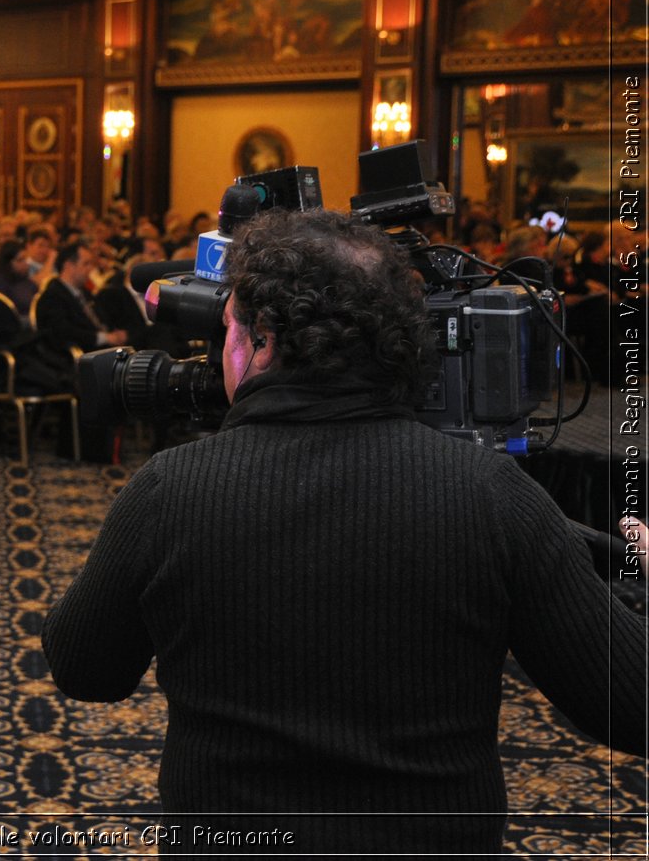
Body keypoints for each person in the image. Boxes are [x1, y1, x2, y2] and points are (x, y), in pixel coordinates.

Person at [41, 209, 646, 856]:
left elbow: (84, 669)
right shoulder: (493, 497)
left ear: (262, 341)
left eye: (226, 331)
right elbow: (632, 705)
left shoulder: (169, 490)